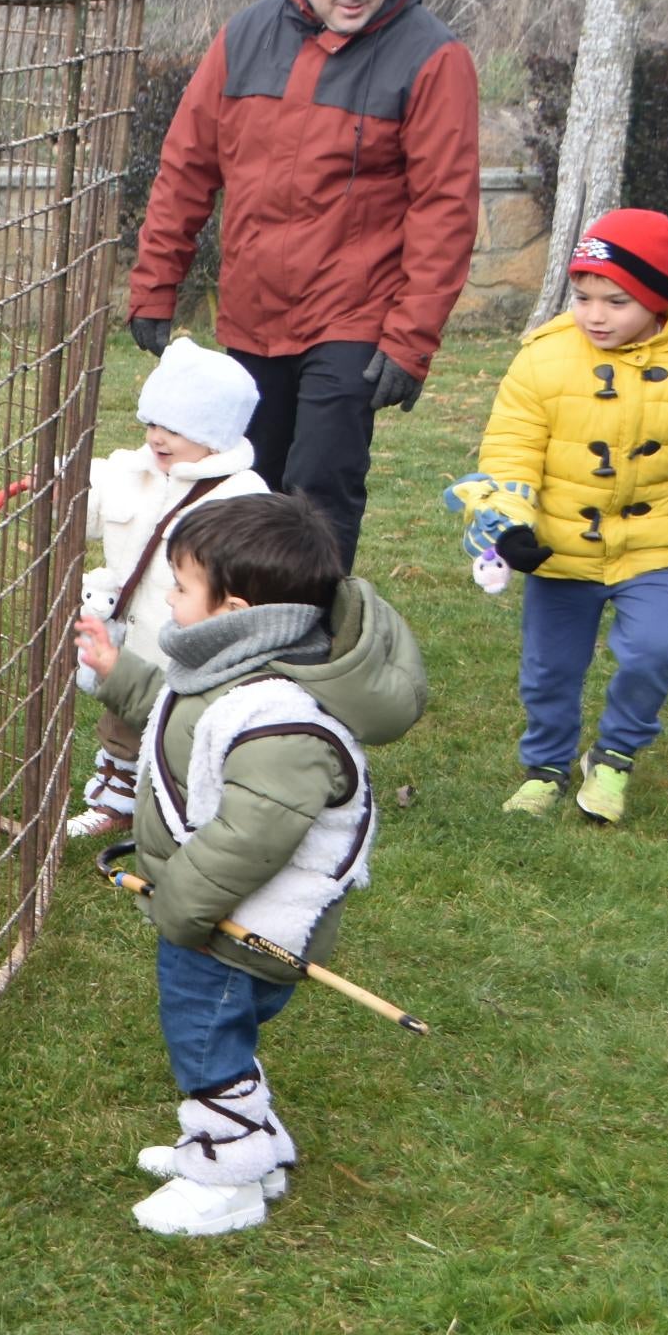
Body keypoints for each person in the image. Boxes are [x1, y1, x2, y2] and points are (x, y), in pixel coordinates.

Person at [73, 496, 425, 1239]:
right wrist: (117, 671)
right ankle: (250, 1144)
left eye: (180, 586)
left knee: (205, 1042)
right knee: (219, 1033)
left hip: (237, 924)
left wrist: (182, 906)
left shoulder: (279, 719)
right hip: (215, 912)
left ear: (232, 608)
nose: (168, 598)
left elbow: (252, 836)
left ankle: (226, 1178)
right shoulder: (234, 671)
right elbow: (179, 713)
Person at [126, 0, 480, 567]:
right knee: (241, 478)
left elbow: (446, 210)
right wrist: (154, 285)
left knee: (318, 487)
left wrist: (410, 343)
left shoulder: (433, 58)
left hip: (352, 317)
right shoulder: (246, 36)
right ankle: (238, 627)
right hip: (253, 312)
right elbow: (186, 170)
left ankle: (312, 642)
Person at [464, 209, 668, 825]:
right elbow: (512, 449)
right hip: (561, 545)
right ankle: (545, 766)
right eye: (583, 296)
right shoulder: (542, 358)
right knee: (549, 670)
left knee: (656, 650)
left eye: (616, 301)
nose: (594, 315)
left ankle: (616, 755)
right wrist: (510, 525)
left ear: (659, 298)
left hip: (657, 545)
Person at [68, 337, 271, 841]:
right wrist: (56, 483)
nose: (157, 437)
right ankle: (115, 801)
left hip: (200, 648)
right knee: (123, 723)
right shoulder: (131, 473)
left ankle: (187, 808)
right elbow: (86, 496)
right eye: (152, 423)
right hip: (134, 640)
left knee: (187, 730)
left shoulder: (241, 498)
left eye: (175, 429)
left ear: (217, 434)